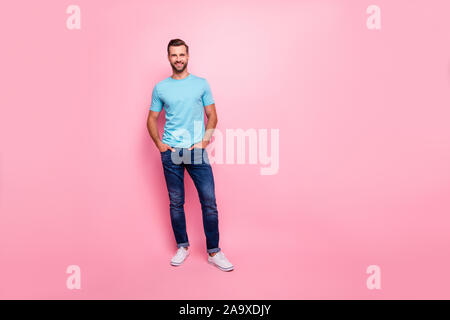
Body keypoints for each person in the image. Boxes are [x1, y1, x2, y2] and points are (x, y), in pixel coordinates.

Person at [147, 39, 234, 272]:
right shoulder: (161, 88)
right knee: (176, 203)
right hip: (172, 153)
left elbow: (212, 116)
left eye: (182, 55)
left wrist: (204, 141)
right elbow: (152, 119)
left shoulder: (201, 84)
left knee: (209, 202)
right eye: (174, 55)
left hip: (196, 152)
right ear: (168, 58)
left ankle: (214, 252)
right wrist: (159, 144)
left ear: (188, 56)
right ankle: (182, 246)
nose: (178, 59)